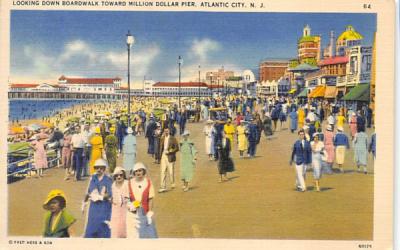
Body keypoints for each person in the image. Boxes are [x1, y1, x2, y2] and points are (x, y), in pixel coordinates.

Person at [83, 158, 113, 238]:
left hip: (104, 205)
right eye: (97, 168)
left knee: (103, 226)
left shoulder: (108, 179)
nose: (99, 169)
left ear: (104, 168)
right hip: (93, 206)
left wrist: (101, 197)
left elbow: (110, 194)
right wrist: (84, 203)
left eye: (101, 167)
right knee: (92, 225)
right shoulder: (93, 178)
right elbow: (88, 191)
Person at [126, 162, 157, 238]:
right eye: (136, 171)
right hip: (133, 213)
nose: (138, 173)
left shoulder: (148, 182)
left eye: (140, 170)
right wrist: (130, 205)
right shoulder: (130, 183)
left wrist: (149, 212)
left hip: (145, 213)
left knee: (148, 234)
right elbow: (126, 198)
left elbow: (150, 199)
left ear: (143, 171)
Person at [159, 127, 179, 193]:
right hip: (163, 155)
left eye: (167, 131)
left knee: (171, 171)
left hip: (170, 156)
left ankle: (172, 183)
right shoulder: (162, 138)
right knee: (163, 171)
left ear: (169, 131)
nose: (166, 132)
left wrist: (171, 151)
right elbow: (160, 147)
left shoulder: (173, 138)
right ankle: (162, 186)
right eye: (165, 131)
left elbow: (177, 148)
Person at [110, 167, 129, 238]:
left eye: (121, 175)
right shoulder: (113, 185)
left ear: (124, 175)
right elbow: (110, 197)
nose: (119, 177)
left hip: (126, 210)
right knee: (115, 230)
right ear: (114, 176)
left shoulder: (127, 184)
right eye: (117, 175)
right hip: (115, 210)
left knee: (126, 229)